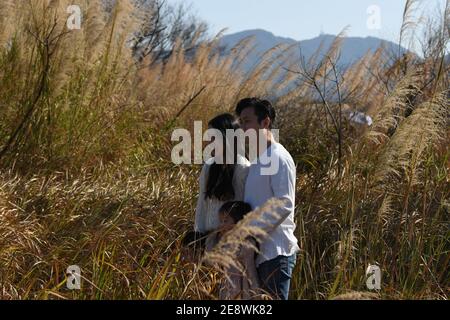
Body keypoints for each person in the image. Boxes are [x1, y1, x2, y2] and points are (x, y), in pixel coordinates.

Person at [236, 97, 299, 300]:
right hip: (258, 253)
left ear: (265, 123)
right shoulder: (258, 159)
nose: (243, 127)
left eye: (247, 121)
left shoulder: (278, 156)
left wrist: (253, 235)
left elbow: (285, 203)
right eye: (241, 122)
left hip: (275, 251)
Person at [194, 113, 251, 251]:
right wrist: (198, 238)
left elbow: (245, 208)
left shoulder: (243, 168)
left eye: (214, 138)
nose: (209, 143)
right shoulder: (209, 166)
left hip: (231, 244)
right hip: (208, 240)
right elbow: (202, 203)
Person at [209, 201, 261, 300]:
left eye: (225, 221)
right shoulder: (224, 242)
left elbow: (250, 272)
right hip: (227, 290)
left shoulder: (246, 242)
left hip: (243, 291)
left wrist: (256, 294)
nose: (221, 225)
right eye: (220, 221)